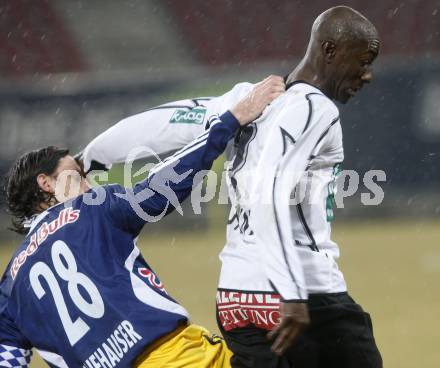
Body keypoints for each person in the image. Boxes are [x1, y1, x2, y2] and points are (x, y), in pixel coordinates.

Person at [80, 6, 383, 368]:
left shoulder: (250, 98)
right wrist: (289, 291)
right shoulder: (315, 108)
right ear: (330, 51)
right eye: (363, 61)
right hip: (301, 292)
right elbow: (267, 191)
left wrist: (92, 155)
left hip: (235, 299)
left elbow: (167, 123)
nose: (367, 75)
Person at [0, 76, 285, 368]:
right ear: (45, 183)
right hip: (176, 360)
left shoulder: (10, 290)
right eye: (78, 174)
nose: (88, 185)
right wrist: (231, 120)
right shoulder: (90, 208)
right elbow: (163, 186)